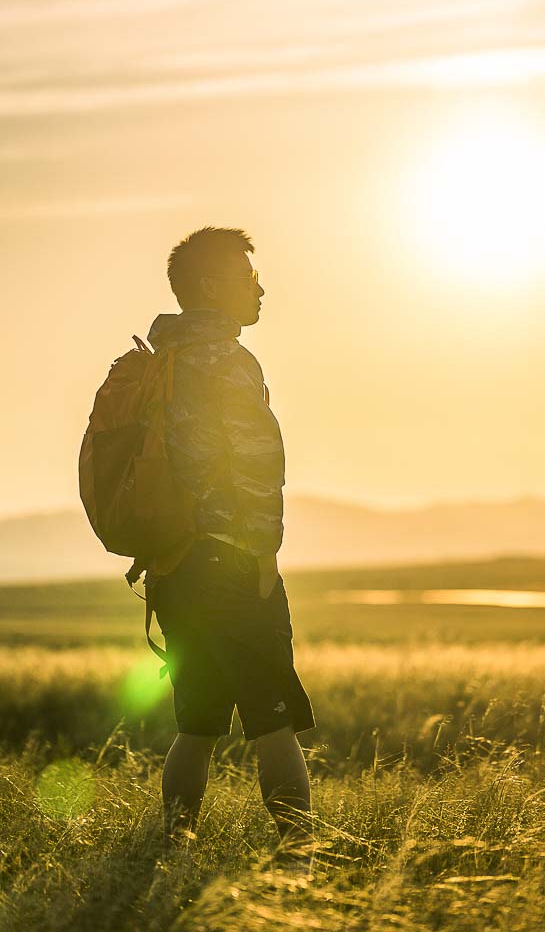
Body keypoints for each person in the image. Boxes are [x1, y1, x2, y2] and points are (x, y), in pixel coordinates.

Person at [143, 226, 316, 871]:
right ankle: (301, 862)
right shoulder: (225, 359)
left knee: (199, 719)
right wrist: (263, 551)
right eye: (246, 276)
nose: (258, 287)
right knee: (272, 712)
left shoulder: (162, 359)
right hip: (229, 560)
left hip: (175, 565)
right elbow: (256, 459)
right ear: (212, 286)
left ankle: (174, 850)